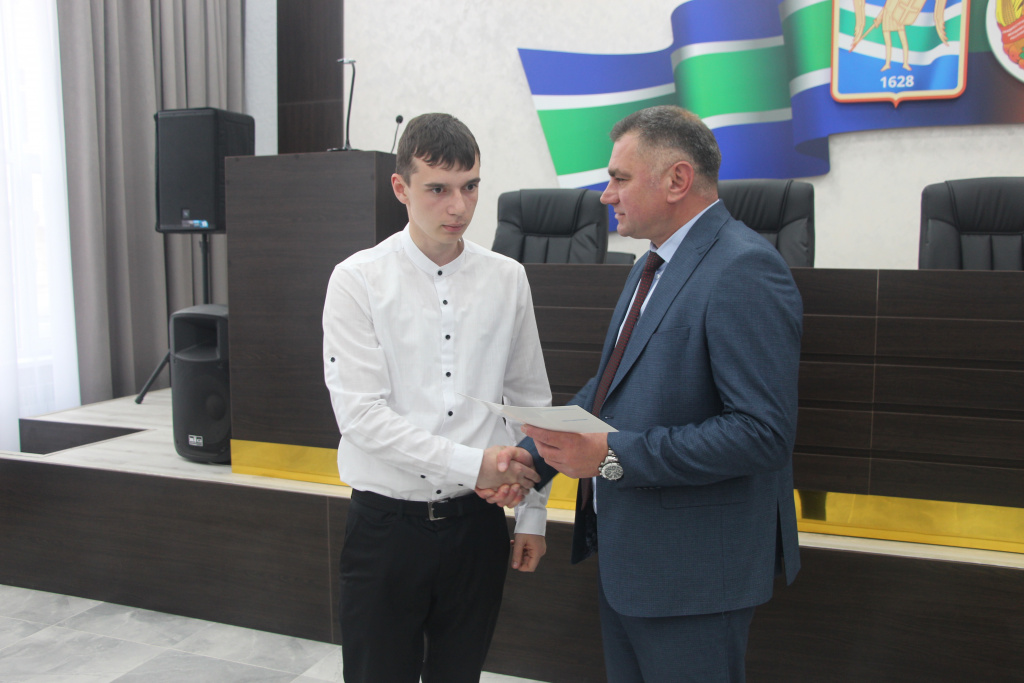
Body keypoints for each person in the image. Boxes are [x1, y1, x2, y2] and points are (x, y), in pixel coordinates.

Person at [520, 105, 803, 682]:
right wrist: (533, 459)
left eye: (619, 178)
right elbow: (611, 385)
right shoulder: (651, 262)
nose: (605, 195)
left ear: (677, 179)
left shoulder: (744, 268)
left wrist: (611, 455)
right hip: (633, 563)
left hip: (694, 577)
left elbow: (761, 433)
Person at [322, 112, 552, 683]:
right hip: (386, 528)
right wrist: (475, 463)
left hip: (478, 527)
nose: (459, 206)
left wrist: (533, 514)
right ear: (400, 188)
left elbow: (531, 404)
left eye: (470, 186)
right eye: (438, 189)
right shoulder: (357, 279)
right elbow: (361, 417)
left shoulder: (508, 278)